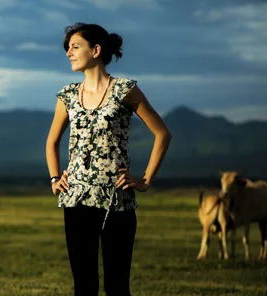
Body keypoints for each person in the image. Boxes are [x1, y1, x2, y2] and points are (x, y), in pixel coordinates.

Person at [45, 23, 172, 296]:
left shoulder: (125, 90)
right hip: (76, 198)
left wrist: (145, 180)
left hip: (117, 200)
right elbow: (52, 141)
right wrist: (56, 177)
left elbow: (162, 133)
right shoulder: (67, 95)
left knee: (117, 287)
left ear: (96, 50)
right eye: (67, 47)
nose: (68, 52)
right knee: (84, 287)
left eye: (75, 46)